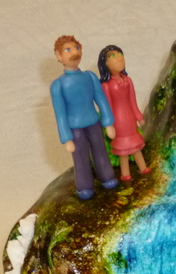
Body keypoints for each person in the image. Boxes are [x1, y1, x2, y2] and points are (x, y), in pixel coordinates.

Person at [51, 35, 118, 200]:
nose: (74, 52)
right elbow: (60, 114)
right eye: (67, 50)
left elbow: (101, 100)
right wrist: (66, 138)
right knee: (80, 158)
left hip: (93, 122)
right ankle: (84, 186)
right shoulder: (58, 85)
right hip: (75, 128)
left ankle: (107, 176)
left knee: (100, 150)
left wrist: (108, 122)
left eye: (76, 48)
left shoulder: (90, 77)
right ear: (59, 56)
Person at [97, 45, 150, 181]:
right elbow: (107, 107)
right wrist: (109, 125)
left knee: (135, 145)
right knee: (123, 149)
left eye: (120, 54)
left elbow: (133, 101)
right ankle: (125, 174)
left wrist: (139, 116)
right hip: (118, 121)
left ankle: (143, 167)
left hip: (130, 119)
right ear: (105, 63)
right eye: (112, 56)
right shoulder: (106, 85)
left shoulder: (128, 80)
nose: (119, 58)